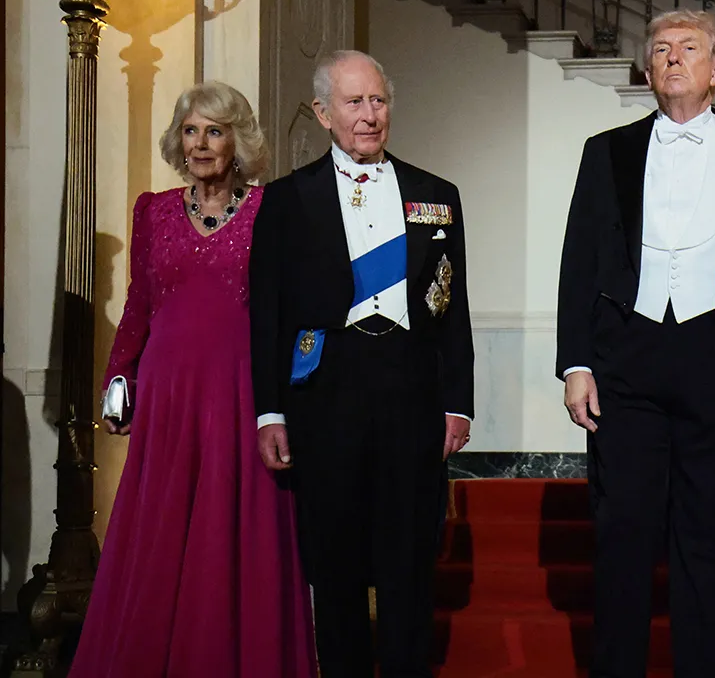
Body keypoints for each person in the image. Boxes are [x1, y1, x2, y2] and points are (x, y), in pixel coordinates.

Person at [556, 9, 715, 678]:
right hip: (626, 361)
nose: (672, 58)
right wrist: (576, 363)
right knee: (623, 538)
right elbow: (580, 258)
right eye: (660, 49)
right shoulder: (604, 151)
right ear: (646, 70)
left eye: (688, 49)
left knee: (710, 543)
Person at [70, 82, 317, 678]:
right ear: (178, 141)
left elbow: (293, 311)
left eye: (216, 130)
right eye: (191, 130)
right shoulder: (152, 210)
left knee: (237, 530)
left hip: (240, 390)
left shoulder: (270, 209)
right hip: (169, 393)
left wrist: (290, 399)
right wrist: (117, 377)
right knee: (160, 530)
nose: (202, 144)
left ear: (239, 141)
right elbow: (139, 304)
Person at [249, 49, 474, 678]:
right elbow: (268, 317)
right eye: (354, 102)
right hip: (326, 396)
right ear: (323, 113)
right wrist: (270, 411)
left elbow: (454, 309)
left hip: (412, 392)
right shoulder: (286, 202)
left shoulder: (438, 195)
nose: (370, 116)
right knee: (335, 560)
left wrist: (458, 401)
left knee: (408, 562)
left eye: (378, 101)